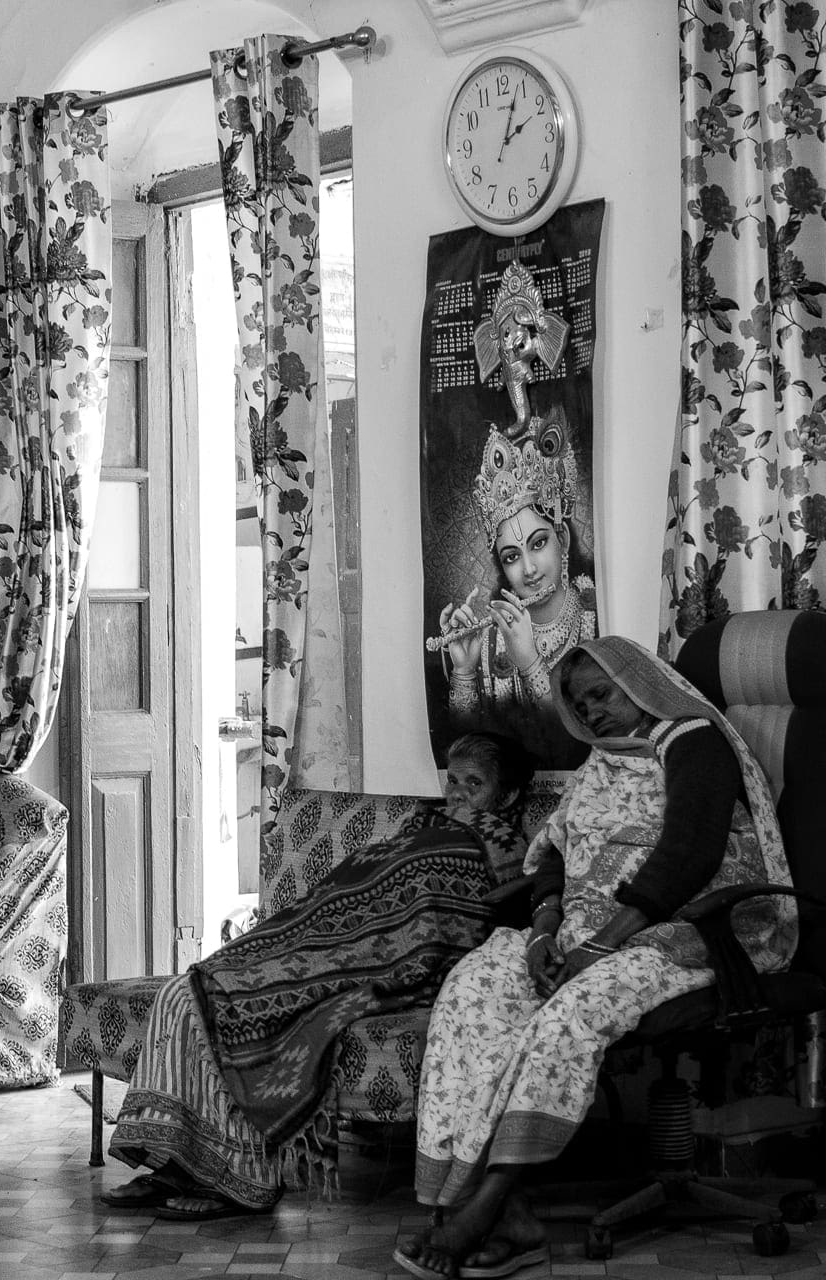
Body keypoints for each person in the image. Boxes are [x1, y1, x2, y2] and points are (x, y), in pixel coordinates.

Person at [394, 637, 796, 1280]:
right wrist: (543, 931)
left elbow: (690, 851)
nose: (595, 711)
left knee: (568, 1013)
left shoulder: (693, 741)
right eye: (581, 702)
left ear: (638, 681)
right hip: (580, 929)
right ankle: (504, 1212)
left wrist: (605, 941)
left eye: (603, 694)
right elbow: (553, 851)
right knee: (472, 992)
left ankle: (484, 1208)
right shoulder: (603, 761)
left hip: (681, 930)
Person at [100, 732, 535, 1221]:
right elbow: (356, 883)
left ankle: (242, 1180)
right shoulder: (424, 822)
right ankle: (176, 1165)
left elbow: (446, 912)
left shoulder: (506, 849)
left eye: (473, 784)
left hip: (370, 962)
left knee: (226, 1003)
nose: (456, 793)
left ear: (510, 795)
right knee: (187, 990)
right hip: (313, 940)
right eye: (453, 780)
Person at [436, 423, 597, 768]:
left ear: (563, 540)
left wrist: (530, 664)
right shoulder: (492, 638)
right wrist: (464, 671)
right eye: (511, 556)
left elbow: (577, 747)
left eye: (538, 544)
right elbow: (465, 750)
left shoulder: (592, 623)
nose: (528, 569)